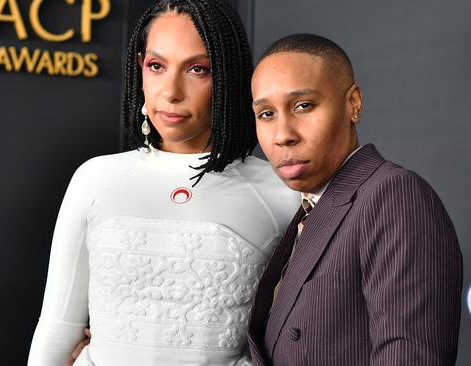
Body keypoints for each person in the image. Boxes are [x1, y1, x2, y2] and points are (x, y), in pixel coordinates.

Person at [26, 1, 299, 365]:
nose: (171, 91)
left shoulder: (281, 193)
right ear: (140, 67)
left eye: (197, 69)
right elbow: (56, 330)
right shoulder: (95, 179)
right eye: (157, 66)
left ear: (229, 77)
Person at [247, 33, 463, 365]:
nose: (282, 135)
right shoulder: (310, 209)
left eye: (303, 105)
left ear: (353, 104)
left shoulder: (393, 196)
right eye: (266, 114)